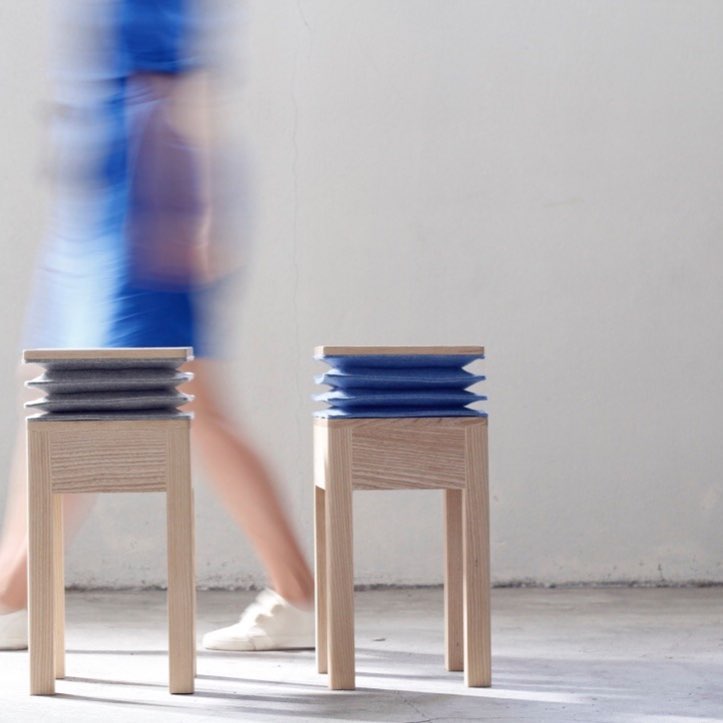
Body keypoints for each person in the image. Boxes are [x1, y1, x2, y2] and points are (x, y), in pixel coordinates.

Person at [0, 0, 314, 652]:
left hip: (147, 187)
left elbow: (183, 75)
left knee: (186, 398)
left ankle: (297, 594)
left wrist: (196, 208)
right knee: (58, 395)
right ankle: (13, 592)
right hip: (101, 191)